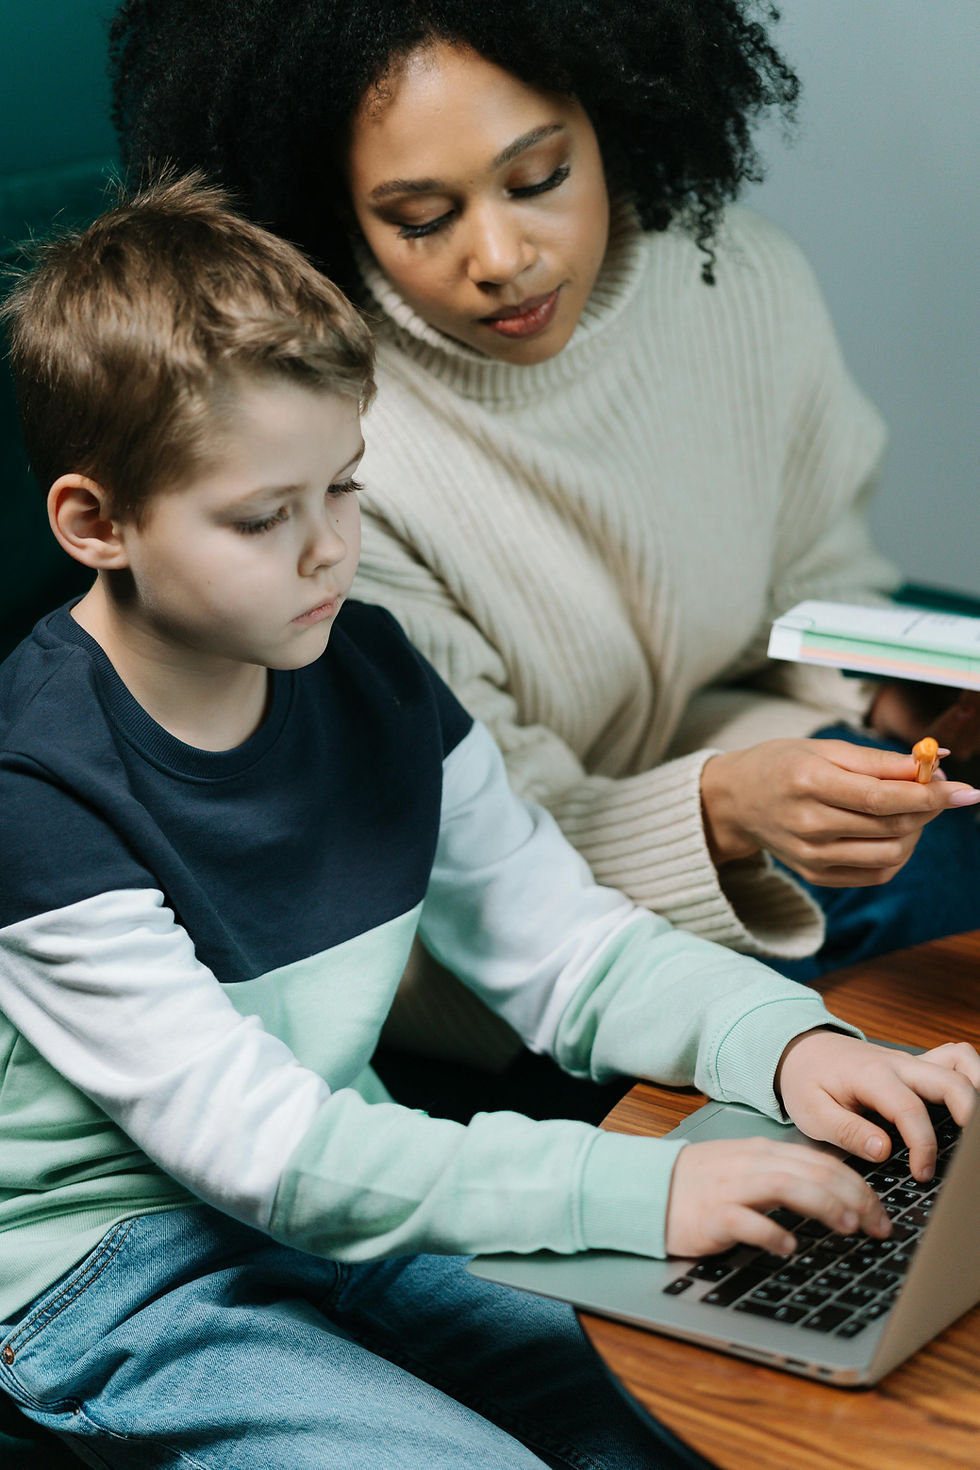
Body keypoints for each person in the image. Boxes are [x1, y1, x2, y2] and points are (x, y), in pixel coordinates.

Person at [2, 174, 979, 1469]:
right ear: (97, 522)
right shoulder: (35, 787)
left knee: (705, 1396)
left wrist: (787, 1043)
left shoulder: (372, 671)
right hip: (115, 1272)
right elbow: (266, 1148)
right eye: (260, 517)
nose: (325, 553)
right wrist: (649, 1187)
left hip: (349, 1202)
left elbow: (566, 948)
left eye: (343, 489)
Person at [107, 0, 980, 1099]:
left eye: (537, 179)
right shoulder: (322, 458)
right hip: (478, 915)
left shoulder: (740, 283)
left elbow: (817, 587)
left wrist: (886, 707)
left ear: (614, 113)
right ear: (329, 204)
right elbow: (477, 854)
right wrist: (721, 808)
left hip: (697, 766)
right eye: (420, 216)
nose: (503, 257)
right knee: (917, 880)